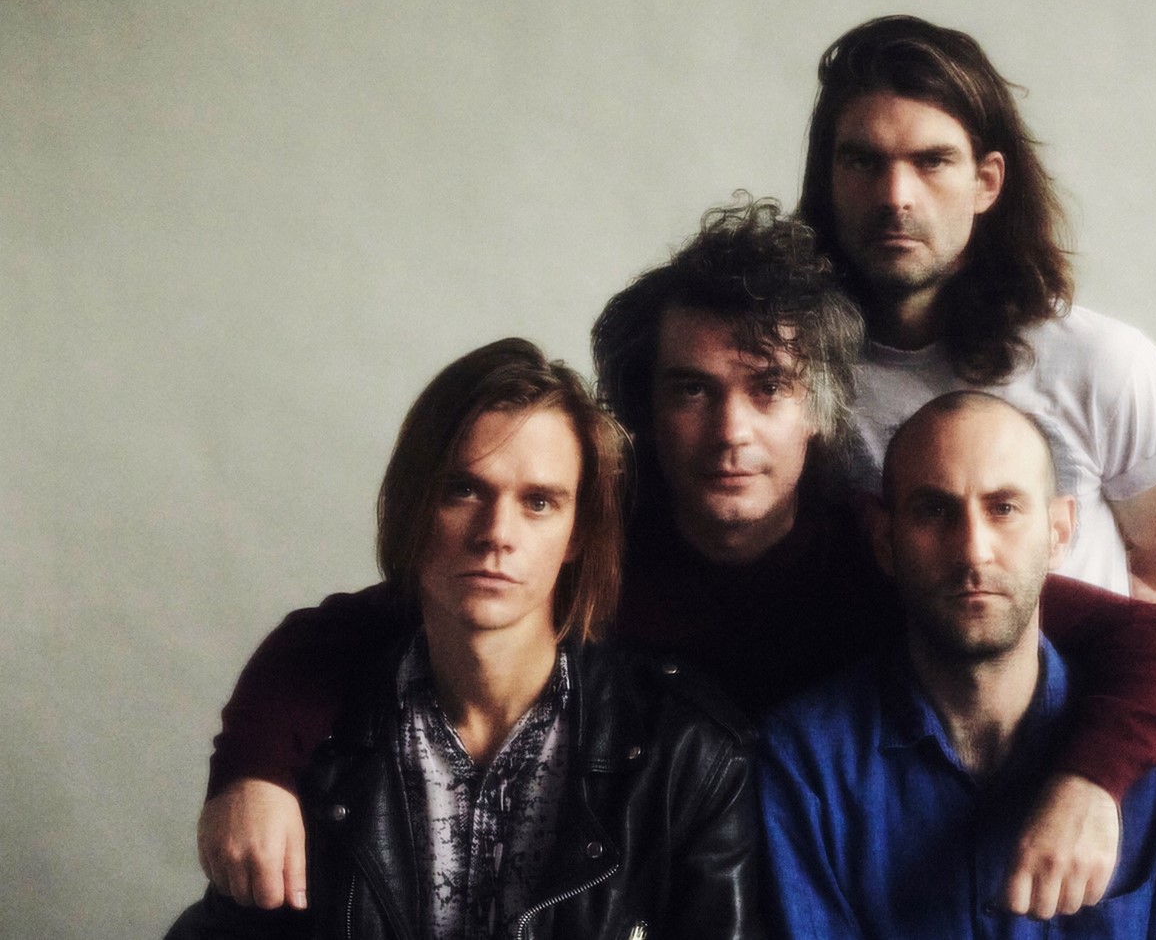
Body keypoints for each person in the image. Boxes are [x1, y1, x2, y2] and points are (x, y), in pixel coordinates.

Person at [194, 201, 1156, 920]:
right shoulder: (579, 543)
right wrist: (254, 768)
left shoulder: (889, 548)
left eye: (767, 388)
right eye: (692, 390)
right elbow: (348, 632)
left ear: (818, 411)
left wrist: (1091, 781)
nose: (731, 430)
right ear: (644, 409)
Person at [166, 339, 762, 940]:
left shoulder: (686, 755)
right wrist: (252, 771)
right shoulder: (313, 743)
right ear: (414, 506)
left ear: (577, 533)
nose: (496, 533)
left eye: (538, 502)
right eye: (464, 489)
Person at [759, 391, 1156, 937]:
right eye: (934, 510)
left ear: (1059, 533)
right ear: (885, 542)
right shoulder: (805, 766)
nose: (973, 551)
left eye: (1004, 508)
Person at [798, 15, 1156, 602]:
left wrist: (1069, 651)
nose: (895, 196)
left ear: (987, 182)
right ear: (829, 180)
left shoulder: (1100, 362)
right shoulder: (787, 375)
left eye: (932, 161)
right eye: (864, 162)